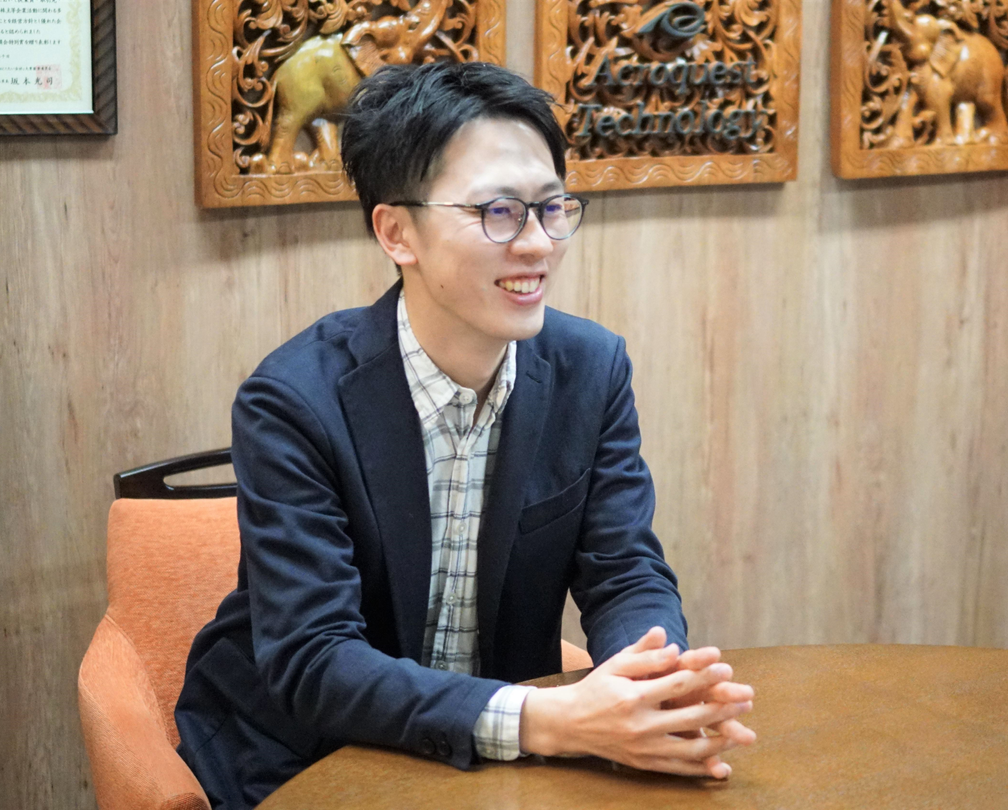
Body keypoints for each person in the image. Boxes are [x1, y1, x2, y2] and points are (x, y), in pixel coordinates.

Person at [174, 61, 757, 809]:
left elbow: (624, 572)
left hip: (498, 760)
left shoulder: (591, 370)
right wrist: (548, 719)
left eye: (552, 207)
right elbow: (314, 660)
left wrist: (651, 683)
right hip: (307, 752)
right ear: (397, 232)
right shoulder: (293, 401)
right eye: (498, 212)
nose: (538, 244)